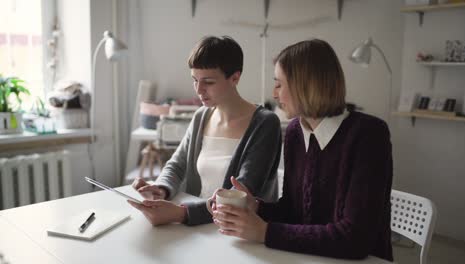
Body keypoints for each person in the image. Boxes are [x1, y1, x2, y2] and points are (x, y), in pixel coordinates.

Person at [211, 39, 393, 261]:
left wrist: (264, 232)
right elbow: (292, 211)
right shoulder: (296, 131)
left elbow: (355, 239)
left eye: (279, 84)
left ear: (305, 85)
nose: (274, 94)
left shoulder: (369, 135)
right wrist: (256, 207)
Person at [128, 36, 282, 226]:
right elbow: (176, 165)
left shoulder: (265, 124)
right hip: (198, 225)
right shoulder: (201, 116)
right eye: (195, 80)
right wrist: (161, 189)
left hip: (237, 231)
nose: (199, 90)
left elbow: (239, 196)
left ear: (235, 77)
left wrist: (181, 214)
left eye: (208, 82)